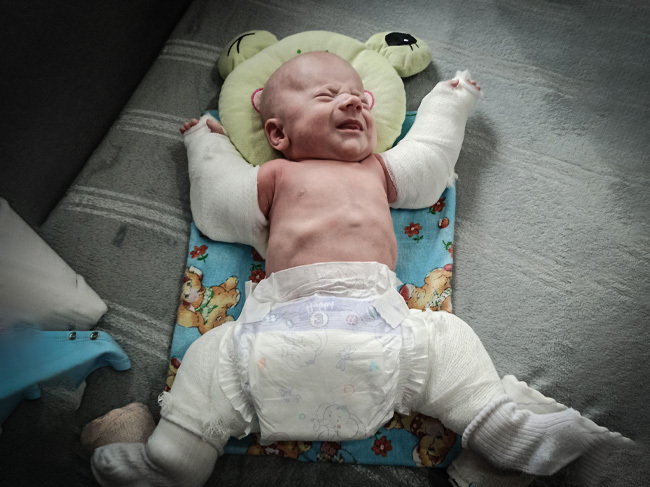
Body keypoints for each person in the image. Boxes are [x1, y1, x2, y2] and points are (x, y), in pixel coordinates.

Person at [90, 52, 631, 487]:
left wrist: (448, 103)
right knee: (214, 358)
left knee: (443, 343)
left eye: (358, 97)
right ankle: (177, 459)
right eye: (326, 96)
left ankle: (500, 429)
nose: (351, 101)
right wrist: (205, 144)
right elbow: (218, 204)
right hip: (288, 331)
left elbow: (430, 162)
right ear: (277, 134)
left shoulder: (376, 169)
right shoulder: (278, 176)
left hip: (368, 330)